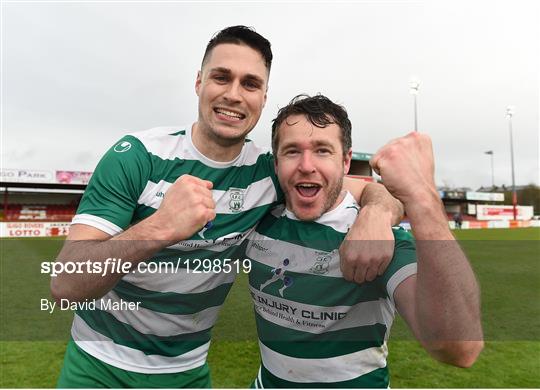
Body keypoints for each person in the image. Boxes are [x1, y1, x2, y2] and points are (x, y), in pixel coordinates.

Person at [51, 27, 403, 388]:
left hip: (187, 373)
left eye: (250, 84)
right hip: (98, 367)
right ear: (199, 83)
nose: (234, 95)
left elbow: (361, 189)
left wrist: (376, 213)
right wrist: (159, 228)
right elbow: (66, 283)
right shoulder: (138, 157)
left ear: (263, 98)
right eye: (221, 77)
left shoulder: (269, 171)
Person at [245, 94, 484, 388]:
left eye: (323, 151)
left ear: (345, 161)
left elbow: (459, 349)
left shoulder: (380, 240)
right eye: (292, 151)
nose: (307, 165)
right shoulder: (257, 217)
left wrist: (422, 199)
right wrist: (381, 203)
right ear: (276, 162)